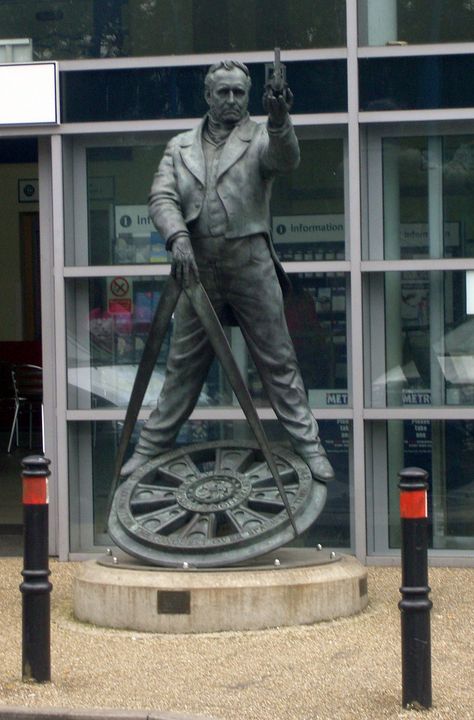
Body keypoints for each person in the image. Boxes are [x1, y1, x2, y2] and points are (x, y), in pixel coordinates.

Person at [121, 59, 335, 483]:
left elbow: (285, 159)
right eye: (224, 92)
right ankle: (148, 449)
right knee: (182, 367)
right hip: (197, 269)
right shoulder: (179, 146)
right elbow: (161, 197)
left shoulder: (260, 136)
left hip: (250, 264)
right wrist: (177, 237)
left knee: (278, 362)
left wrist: (279, 119)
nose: (233, 100)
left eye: (240, 92)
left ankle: (310, 447)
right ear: (208, 96)